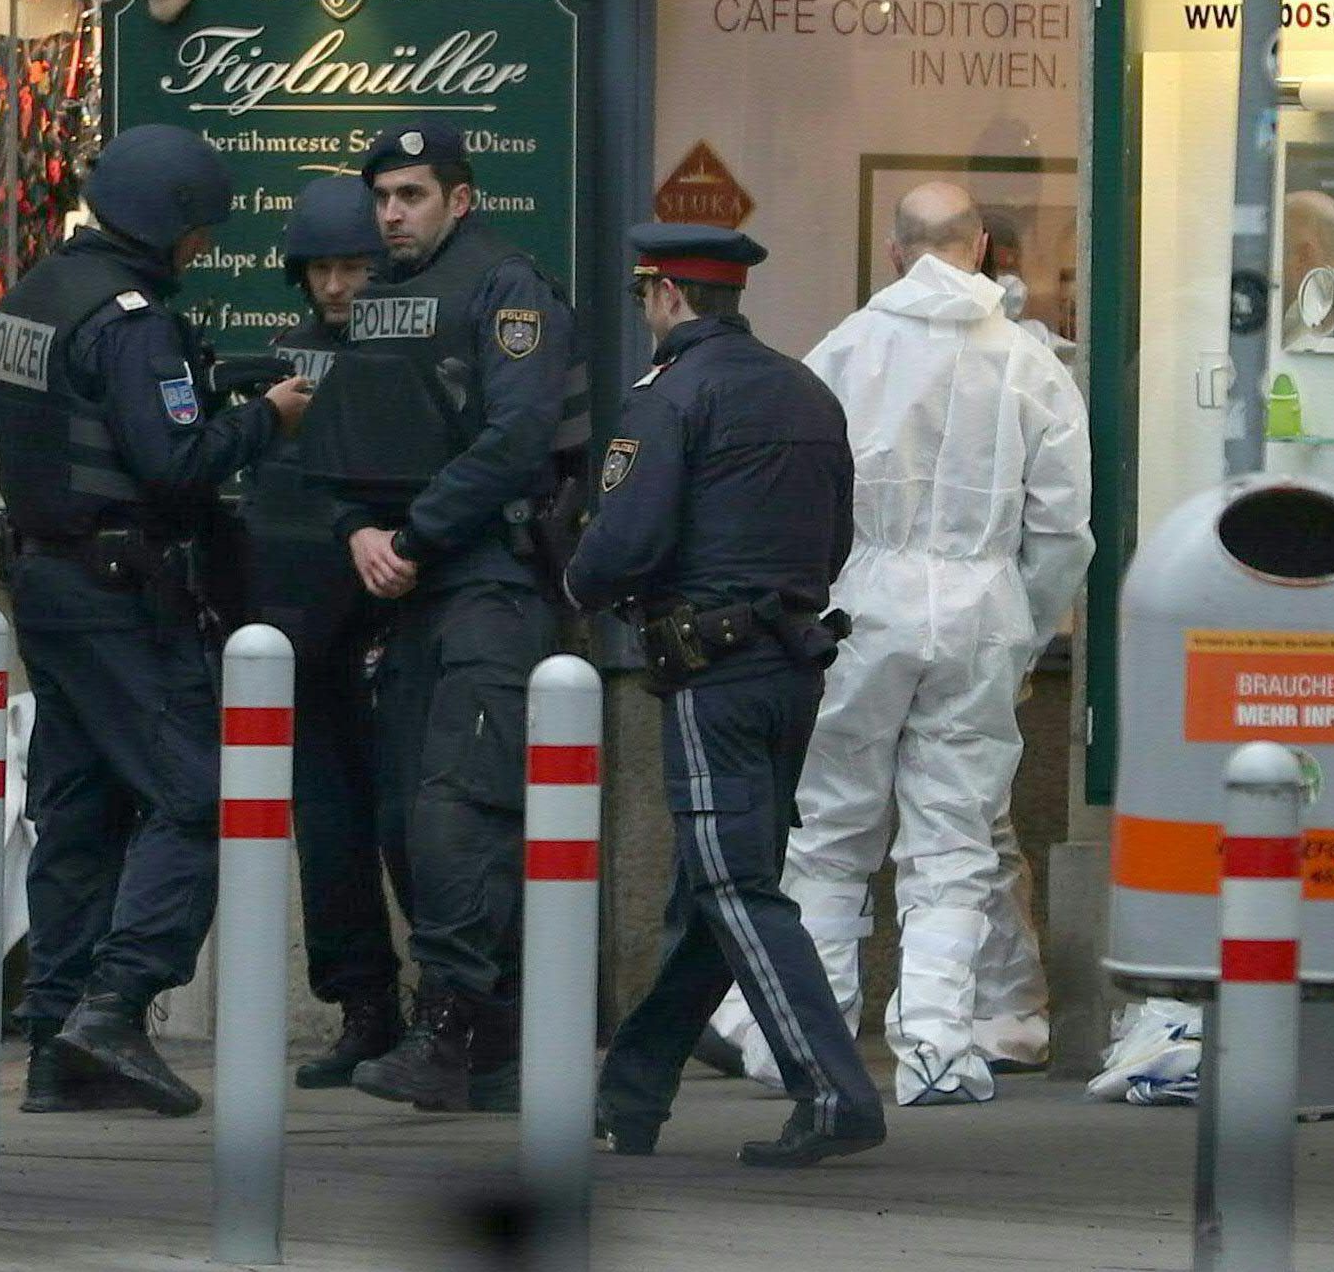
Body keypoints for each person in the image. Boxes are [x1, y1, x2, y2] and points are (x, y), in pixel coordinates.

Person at [719, 182, 1093, 1107]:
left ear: (895, 253)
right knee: (956, 832)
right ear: (980, 252)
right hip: (979, 607)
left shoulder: (842, 352)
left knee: (831, 825)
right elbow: (1064, 528)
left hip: (858, 603)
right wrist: (1026, 632)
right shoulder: (1027, 363)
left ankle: (805, 1040)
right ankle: (935, 1043)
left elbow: (793, 495)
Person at [0, 123, 312, 1117]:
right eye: (199, 232)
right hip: (119, 595)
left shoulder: (31, 297)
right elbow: (176, 463)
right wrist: (266, 418)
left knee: (78, 814)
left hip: (45, 587)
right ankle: (114, 1008)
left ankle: (53, 1047)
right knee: (200, 795)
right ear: (167, 223)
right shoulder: (132, 322)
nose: (202, 250)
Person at [575, 223, 886, 1169]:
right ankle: (632, 1093)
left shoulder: (670, 398)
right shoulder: (807, 391)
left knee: (734, 884)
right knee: (716, 885)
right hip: (792, 664)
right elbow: (836, 537)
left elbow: (622, 541)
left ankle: (833, 1093)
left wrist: (574, 584)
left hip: (712, 670)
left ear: (667, 295)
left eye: (644, 297)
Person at [306, 120, 589, 1114]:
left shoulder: (508, 289)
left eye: (412, 194)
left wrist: (413, 535)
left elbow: (516, 440)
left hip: (491, 586)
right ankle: (493, 1043)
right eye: (382, 195)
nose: (391, 213)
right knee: (403, 816)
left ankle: (456, 1025)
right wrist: (356, 532)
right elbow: (343, 441)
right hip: (415, 589)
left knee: (458, 809)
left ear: (459, 198)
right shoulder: (382, 301)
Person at [240, 175, 407, 1088]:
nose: (337, 287)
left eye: (353, 266)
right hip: (305, 634)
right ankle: (364, 1006)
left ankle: (467, 1008)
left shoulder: (414, 347)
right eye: (322, 269)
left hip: (393, 621)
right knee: (332, 831)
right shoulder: (284, 365)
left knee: (418, 826)